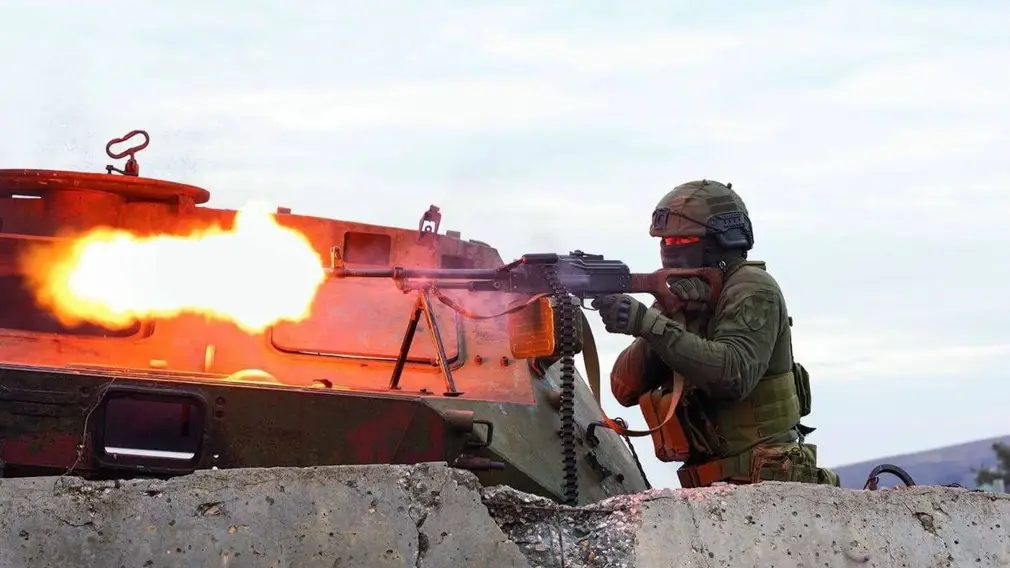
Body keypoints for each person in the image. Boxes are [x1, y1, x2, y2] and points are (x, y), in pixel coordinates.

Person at [591, 179, 840, 488]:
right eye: (665, 241)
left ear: (722, 240)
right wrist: (667, 314)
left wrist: (647, 323)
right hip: (711, 490)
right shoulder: (680, 299)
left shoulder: (752, 287)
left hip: (769, 484)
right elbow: (623, 388)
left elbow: (733, 375)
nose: (670, 248)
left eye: (683, 240)